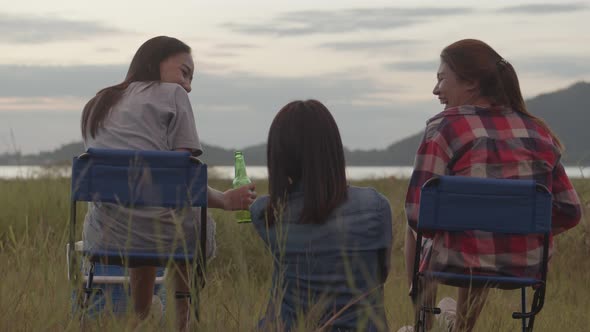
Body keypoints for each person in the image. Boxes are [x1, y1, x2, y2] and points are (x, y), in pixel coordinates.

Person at [400, 39, 582, 332]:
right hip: (527, 265)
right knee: (478, 236)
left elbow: (416, 213)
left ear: (470, 83)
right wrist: (526, 232)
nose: (436, 90)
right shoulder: (537, 131)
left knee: (419, 227)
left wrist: (458, 229)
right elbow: (570, 212)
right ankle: (459, 327)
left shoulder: (444, 127)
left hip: (455, 262)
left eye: (441, 79)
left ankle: (423, 324)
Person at [80, 36, 257, 330]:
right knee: (174, 218)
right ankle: (183, 319)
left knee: (143, 214)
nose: (187, 85)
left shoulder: (97, 102)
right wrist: (225, 200)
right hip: (164, 231)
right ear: (155, 62)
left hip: (105, 235)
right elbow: (179, 178)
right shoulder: (173, 95)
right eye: (184, 73)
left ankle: (142, 313)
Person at [250, 100, 393, 332]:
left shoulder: (264, 214)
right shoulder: (376, 206)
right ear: (333, 149)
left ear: (279, 156)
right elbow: (380, 275)